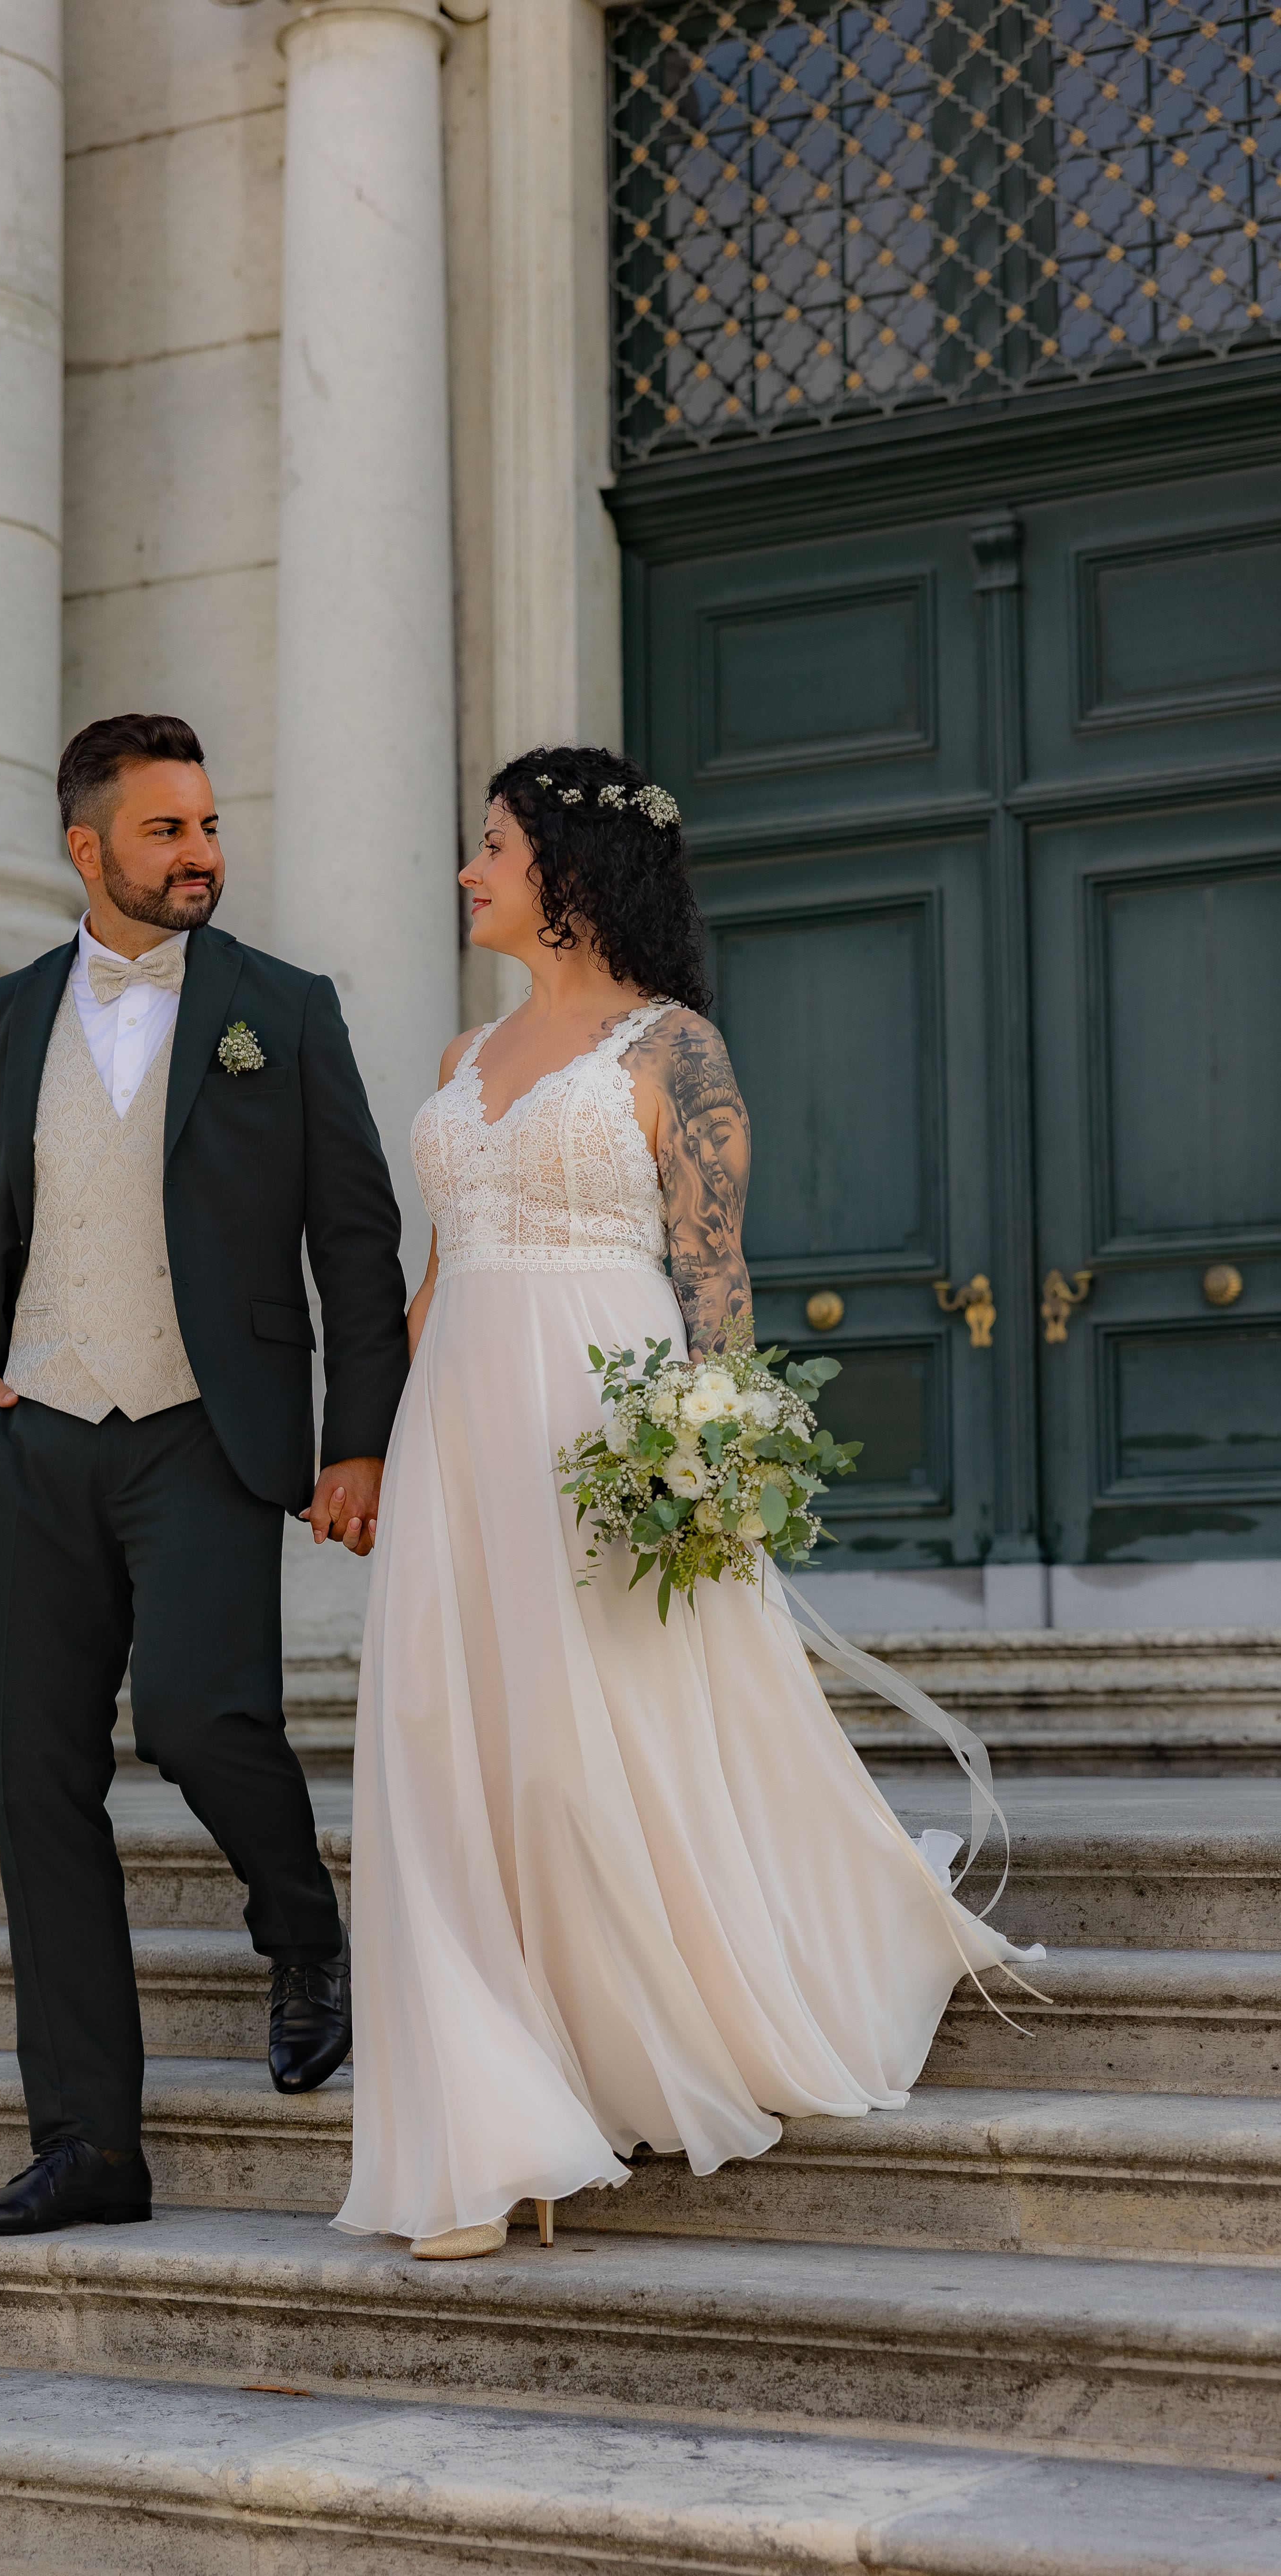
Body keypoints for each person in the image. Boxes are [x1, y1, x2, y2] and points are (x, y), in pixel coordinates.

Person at [336, 743, 1039, 2261]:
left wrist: (712, 1452)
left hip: (607, 1431)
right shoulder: (460, 1055)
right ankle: (490, 2127)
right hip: (459, 1434)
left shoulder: (676, 1052)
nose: (468, 871)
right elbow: (438, 1277)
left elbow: (716, 1277)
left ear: (572, 870)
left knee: (582, 1762)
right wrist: (367, 1445)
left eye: (494, 847)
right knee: (449, 1759)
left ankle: (638, 2041)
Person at [0, 712, 408, 2236]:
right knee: (42, 1788)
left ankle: (302, 1927)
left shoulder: (286, 1010)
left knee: (204, 1718)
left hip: (208, 1426)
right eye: (167, 830)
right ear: (88, 848)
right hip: (37, 1438)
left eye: (208, 825)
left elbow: (357, 1239)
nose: (201, 853)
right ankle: (90, 2146)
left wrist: (358, 1436)